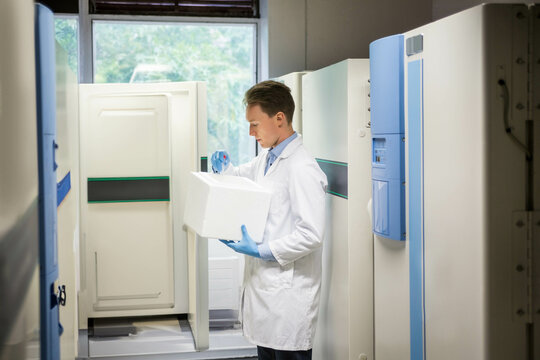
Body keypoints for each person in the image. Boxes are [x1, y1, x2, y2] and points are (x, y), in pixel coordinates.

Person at [211, 80, 327, 360]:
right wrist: (224, 167)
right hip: (267, 294)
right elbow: (243, 177)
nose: (251, 133)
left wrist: (263, 250)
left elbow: (312, 234)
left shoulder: (302, 168)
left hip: (287, 297)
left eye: (255, 124)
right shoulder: (268, 158)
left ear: (279, 118)